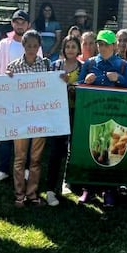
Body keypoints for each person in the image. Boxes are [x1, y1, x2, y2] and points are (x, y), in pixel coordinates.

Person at [78, 29, 127, 207]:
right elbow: (78, 85)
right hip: (94, 115)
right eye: (100, 44)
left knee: (114, 150)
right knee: (93, 148)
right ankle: (89, 189)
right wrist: (85, 81)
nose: (102, 47)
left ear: (114, 46)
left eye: (105, 44)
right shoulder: (89, 63)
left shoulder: (123, 65)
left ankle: (110, 190)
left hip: (117, 115)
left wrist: (119, 78)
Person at [0, 10, 41, 184]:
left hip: (29, 97)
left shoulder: (35, 44)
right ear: (12, 24)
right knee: (6, 134)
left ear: (28, 25)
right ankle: (3, 169)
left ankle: (25, 169)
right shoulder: (4, 44)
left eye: (23, 22)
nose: (20, 25)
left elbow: (40, 70)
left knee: (26, 133)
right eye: (16, 22)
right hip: (8, 96)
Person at [6, 29, 52, 207]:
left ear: (39, 46)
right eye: (28, 45)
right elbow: (6, 90)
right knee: (19, 157)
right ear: (23, 46)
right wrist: (6, 79)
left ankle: (32, 194)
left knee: (36, 158)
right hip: (20, 117)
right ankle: (19, 195)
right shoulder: (13, 67)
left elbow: (52, 87)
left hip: (40, 117)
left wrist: (60, 79)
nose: (32, 49)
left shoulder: (46, 65)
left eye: (35, 45)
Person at [45, 35, 83, 205]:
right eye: (67, 46)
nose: (70, 50)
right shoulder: (55, 66)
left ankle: (69, 182)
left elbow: (85, 89)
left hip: (76, 112)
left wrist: (73, 87)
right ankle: (51, 188)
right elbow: (47, 87)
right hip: (57, 113)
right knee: (55, 151)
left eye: (73, 46)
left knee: (73, 149)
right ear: (63, 48)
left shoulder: (83, 68)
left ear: (78, 49)